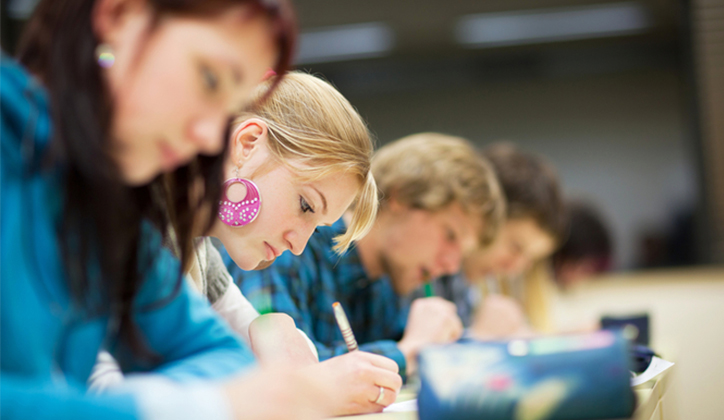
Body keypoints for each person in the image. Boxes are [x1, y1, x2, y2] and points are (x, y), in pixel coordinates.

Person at [1, 0, 346, 418]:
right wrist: (201, 404)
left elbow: (215, 352)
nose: (206, 137)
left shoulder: (107, 201)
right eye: (208, 77)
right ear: (119, 15)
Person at [90, 71, 402, 415]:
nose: (298, 245)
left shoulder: (197, 250)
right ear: (248, 143)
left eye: (317, 225)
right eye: (305, 205)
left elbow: (286, 356)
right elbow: (97, 398)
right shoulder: (120, 216)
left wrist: (277, 333)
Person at [226, 132, 505, 379]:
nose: (451, 265)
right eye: (450, 235)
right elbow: (282, 372)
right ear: (401, 197)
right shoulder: (282, 244)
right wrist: (407, 351)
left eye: (462, 253)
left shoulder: (391, 281)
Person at [415, 143, 566, 338]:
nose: (514, 268)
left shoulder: (464, 288)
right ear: (485, 218)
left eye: (529, 259)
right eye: (515, 247)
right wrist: (480, 338)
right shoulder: (419, 271)